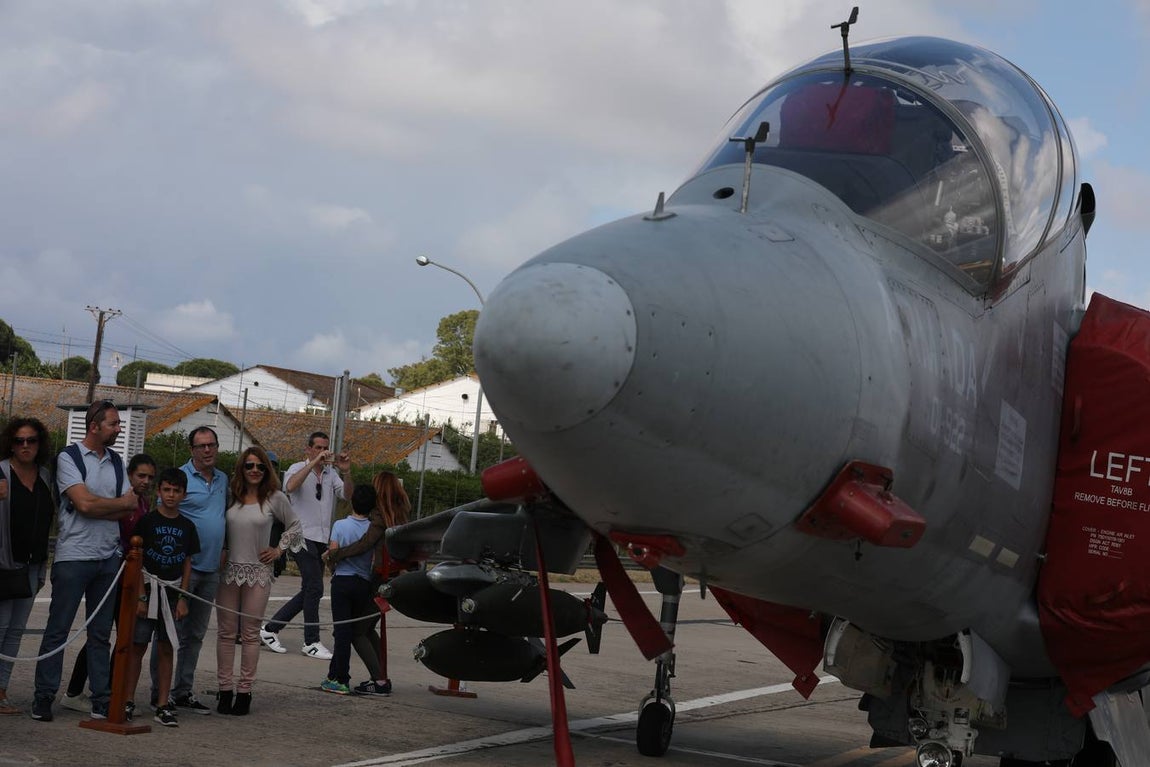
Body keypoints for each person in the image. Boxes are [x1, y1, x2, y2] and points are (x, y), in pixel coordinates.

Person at [32, 400, 138, 722]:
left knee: (100, 634)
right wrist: (113, 504)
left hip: (108, 558)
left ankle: (100, 698)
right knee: (58, 630)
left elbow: (129, 507)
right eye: (114, 424)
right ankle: (44, 696)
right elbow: (83, 505)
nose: (119, 429)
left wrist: (103, 504)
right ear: (94, 426)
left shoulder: (118, 462)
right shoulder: (69, 457)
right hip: (74, 556)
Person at [60, 453, 156, 715]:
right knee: (100, 636)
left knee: (121, 635)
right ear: (130, 475)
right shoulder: (121, 500)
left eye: (150, 477)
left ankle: (107, 689)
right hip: (112, 570)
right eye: (141, 476)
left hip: (130, 574)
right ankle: (75, 691)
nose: (145, 481)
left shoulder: (144, 504)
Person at [216, 446, 302, 715]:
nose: (254, 470)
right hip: (228, 572)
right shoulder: (231, 496)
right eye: (249, 466)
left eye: (260, 466)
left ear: (267, 470)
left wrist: (278, 550)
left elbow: (296, 526)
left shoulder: (275, 498)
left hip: (258, 572)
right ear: (241, 468)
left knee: (250, 635)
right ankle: (224, 690)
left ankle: (244, 692)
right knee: (226, 633)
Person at [153, 426, 227, 716]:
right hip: (184, 568)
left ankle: (182, 691)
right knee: (168, 634)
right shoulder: (180, 479)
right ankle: (158, 694)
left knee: (195, 636)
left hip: (211, 569)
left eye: (212, 445)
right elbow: (162, 515)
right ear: (191, 450)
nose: (207, 451)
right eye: (201, 446)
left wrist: (225, 550)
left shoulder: (223, 479)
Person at [261, 431, 352, 659]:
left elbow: (347, 495)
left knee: (310, 589)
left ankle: (270, 629)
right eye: (318, 448)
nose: (323, 452)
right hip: (300, 535)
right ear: (308, 449)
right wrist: (313, 464)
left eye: (325, 448)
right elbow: (290, 487)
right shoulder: (296, 468)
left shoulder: (331, 474)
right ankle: (311, 641)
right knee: (315, 587)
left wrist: (346, 471)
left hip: (321, 537)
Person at [325, 470, 413, 695]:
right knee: (367, 627)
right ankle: (381, 676)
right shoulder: (402, 513)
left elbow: (365, 544)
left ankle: (380, 681)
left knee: (356, 631)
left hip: (380, 581)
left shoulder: (380, 518)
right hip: (396, 579)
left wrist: (336, 555)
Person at [124, 468, 199, 728]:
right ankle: (128, 699)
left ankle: (163, 703)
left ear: (183, 494)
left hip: (172, 592)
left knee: (167, 648)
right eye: (166, 490)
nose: (171, 495)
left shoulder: (188, 526)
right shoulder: (147, 521)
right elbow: (139, 559)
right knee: (138, 646)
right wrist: (141, 596)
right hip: (149, 590)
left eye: (176, 491)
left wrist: (183, 598)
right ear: (159, 491)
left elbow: (188, 562)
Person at [0, 418, 54, 716]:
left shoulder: (45, 476)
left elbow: (47, 520)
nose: (25, 446)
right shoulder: (1, 471)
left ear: (39, 443)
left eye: (31, 440)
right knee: (1, 628)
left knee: (16, 631)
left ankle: (2, 691)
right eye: (19, 440)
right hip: (5, 563)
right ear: (10, 442)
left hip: (32, 565)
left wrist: (43, 564)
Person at [320, 485, 383, 695]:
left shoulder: (340, 525)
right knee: (348, 630)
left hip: (342, 582)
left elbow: (333, 554)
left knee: (342, 632)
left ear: (352, 502)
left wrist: (330, 563)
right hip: (363, 583)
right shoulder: (373, 529)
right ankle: (332, 675)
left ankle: (341, 679)